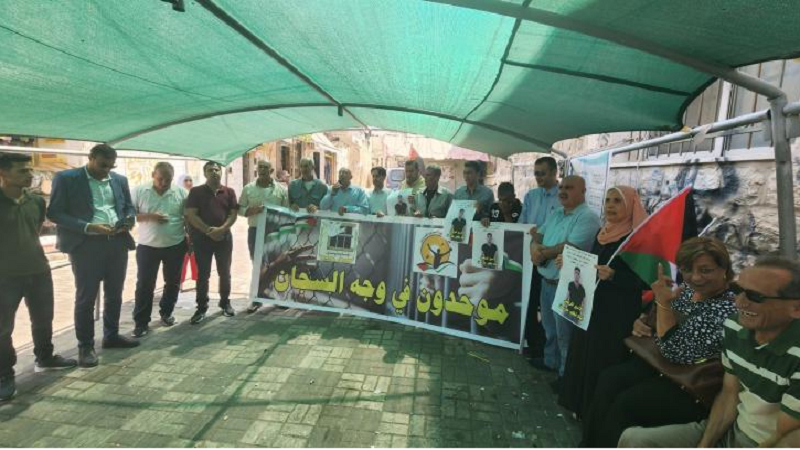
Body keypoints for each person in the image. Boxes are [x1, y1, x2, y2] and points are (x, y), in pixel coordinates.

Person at [619, 256, 800, 448]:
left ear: (796, 308)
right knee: (633, 438)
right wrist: (704, 445)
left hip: (766, 441)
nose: (739, 302)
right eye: (738, 290)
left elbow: (784, 437)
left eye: (755, 296)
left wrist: (664, 305)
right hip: (732, 428)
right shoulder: (735, 325)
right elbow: (729, 394)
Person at [581, 237, 738, 447]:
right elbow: (662, 324)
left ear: (724, 269)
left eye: (706, 270)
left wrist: (663, 303)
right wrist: (643, 321)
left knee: (627, 404)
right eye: (687, 270)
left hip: (691, 385)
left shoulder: (728, 308)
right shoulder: (689, 290)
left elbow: (675, 350)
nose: (695, 277)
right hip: (665, 366)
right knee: (608, 379)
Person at [558, 186, 648, 419]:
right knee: (584, 354)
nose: (610, 205)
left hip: (616, 313)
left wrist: (615, 276)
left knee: (602, 358)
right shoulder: (603, 232)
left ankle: (594, 413)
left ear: (630, 206)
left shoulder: (637, 240)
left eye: (617, 201)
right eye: (608, 200)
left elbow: (645, 281)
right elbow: (591, 266)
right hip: (591, 306)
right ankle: (579, 405)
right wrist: (569, 264)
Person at [47, 144, 140, 368]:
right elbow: (55, 213)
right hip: (85, 246)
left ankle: (111, 336)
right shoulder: (66, 178)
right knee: (86, 297)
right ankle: (86, 346)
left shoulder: (119, 180)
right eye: (102, 165)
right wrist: (88, 227)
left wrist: (128, 220)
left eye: (110, 166)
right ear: (90, 157)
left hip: (116, 243)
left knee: (115, 294)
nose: (106, 170)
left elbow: (128, 207)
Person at [0, 153, 77, 401]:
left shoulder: (36, 201)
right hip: (5, 277)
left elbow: (34, 230)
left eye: (29, 169)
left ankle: (45, 357)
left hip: (39, 271)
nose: (29, 175)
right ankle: (4, 374)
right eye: (22, 171)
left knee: (43, 319)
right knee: (3, 329)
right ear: (4, 173)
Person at [529, 175, 600, 381]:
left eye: (569, 188)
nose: (562, 191)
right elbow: (538, 235)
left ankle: (566, 377)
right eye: (561, 187)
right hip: (547, 281)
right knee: (550, 329)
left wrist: (541, 253)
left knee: (566, 335)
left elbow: (570, 247)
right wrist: (534, 249)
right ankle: (550, 361)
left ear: (583, 191)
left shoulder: (588, 217)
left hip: (568, 286)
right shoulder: (557, 212)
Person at [130, 162, 188, 337]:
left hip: (175, 245)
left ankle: (166, 313)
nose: (164, 183)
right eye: (160, 179)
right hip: (147, 246)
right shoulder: (139, 191)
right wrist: (151, 216)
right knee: (145, 284)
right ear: (153, 175)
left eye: (168, 180)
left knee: (173, 282)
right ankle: (141, 322)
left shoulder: (181, 193)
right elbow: (129, 215)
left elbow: (188, 217)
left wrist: (190, 238)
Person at [184, 161, 238, 324]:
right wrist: (209, 231)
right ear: (205, 173)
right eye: (210, 170)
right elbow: (191, 215)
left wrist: (221, 229)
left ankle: (225, 303)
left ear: (221, 172)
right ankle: (201, 307)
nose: (214, 172)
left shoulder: (229, 192)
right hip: (202, 240)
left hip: (224, 239)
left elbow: (233, 214)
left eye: (217, 169)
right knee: (203, 275)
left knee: (225, 272)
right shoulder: (196, 192)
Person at [519, 156, 560, 361]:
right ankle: (533, 344)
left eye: (542, 173)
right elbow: (522, 225)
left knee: (549, 310)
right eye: (536, 173)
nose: (538, 177)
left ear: (554, 172)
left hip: (554, 261)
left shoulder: (563, 197)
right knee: (529, 302)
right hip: (530, 258)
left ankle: (549, 351)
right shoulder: (531, 196)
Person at [239, 160, 289, 313]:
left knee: (276, 264)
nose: (262, 170)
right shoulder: (248, 189)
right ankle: (256, 299)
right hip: (255, 231)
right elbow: (239, 209)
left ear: (271, 170)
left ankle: (278, 298)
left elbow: (287, 212)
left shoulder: (281, 190)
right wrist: (251, 210)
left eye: (265, 167)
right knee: (258, 265)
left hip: (275, 233)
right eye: (259, 167)